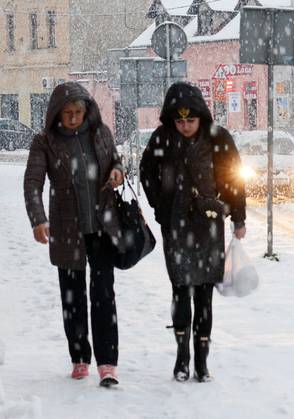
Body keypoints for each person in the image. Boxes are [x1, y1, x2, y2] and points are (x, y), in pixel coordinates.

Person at [140, 82, 246, 382]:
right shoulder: (162, 138)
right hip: (175, 227)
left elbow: (235, 178)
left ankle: (202, 360)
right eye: (180, 120)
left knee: (204, 295)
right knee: (180, 291)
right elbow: (146, 172)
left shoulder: (218, 138)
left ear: (201, 116)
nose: (185, 126)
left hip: (209, 225)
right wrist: (160, 206)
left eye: (191, 120)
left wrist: (237, 217)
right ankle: (181, 357)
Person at [23, 82, 124, 387]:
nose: (73, 118)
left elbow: (116, 160)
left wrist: (118, 171)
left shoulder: (100, 132)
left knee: (104, 295)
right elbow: (32, 184)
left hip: (103, 228)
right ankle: (80, 356)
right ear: (56, 114)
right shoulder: (45, 142)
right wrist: (38, 220)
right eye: (66, 113)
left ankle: (107, 363)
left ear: (86, 110)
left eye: (78, 111)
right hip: (67, 230)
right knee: (73, 297)